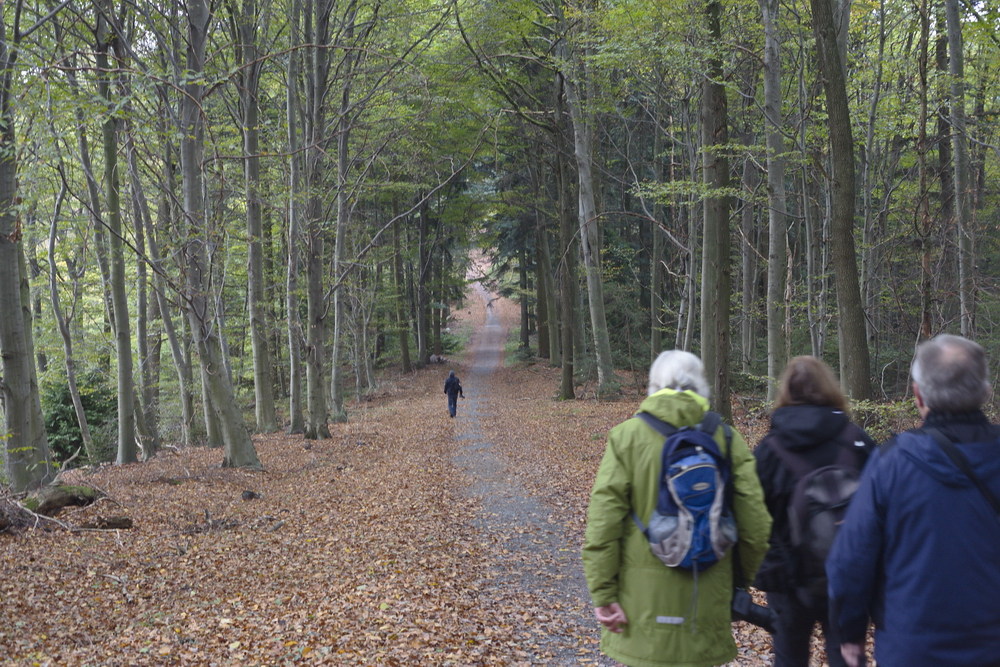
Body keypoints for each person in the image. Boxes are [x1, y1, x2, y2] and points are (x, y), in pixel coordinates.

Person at [582, 350, 772, 667]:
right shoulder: (727, 439)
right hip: (707, 600)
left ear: (654, 387)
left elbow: (603, 524)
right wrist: (736, 582)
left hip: (640, 607)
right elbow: (756, 526)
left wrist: (604, 594)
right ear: (701, 387)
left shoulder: (627, 438)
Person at [827, 334, 1000, 667]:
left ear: (919, 394)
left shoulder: (892, 463)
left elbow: (850, 561)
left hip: (913, 649)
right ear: (985, 391)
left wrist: (850, 634)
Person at [753, 356, 876, 667]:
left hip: (788, 582)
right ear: (830, 388)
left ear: (785, 392)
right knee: (847, 655)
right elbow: (880, 511)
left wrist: (769, 568)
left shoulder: (769, 450)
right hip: (848, 579)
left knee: (790, 659)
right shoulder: (858, 442)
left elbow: (753, 517)